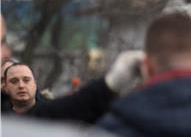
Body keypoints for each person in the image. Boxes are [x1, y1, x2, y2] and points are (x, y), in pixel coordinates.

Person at [1, 54, 142, 121]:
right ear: (5, 87)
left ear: (35, 83)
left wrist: (112, 83)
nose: (21, 85)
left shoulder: (50, 112)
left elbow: (78, 106)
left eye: (26, 80)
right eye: (14, 81)